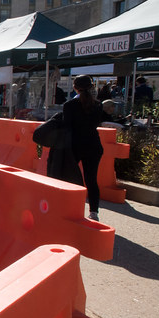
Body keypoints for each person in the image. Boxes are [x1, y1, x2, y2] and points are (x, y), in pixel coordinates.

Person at [61, 75, 105, 221]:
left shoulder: (69, 105)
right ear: (91, 86)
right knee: (91, 179)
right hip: (93, 145)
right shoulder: (98, 105)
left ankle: (70, 209)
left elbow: (66, 127)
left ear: (75, 87)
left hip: (75, 145)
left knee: (70, 178)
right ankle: (94, 212)